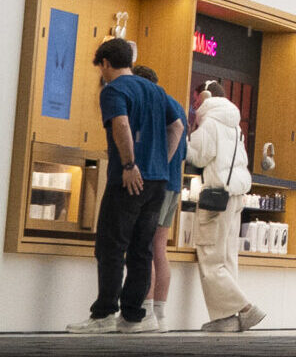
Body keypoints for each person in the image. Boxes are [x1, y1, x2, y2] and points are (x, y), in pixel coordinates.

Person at [67, 38, 187, 333]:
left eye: (101, 68)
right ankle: (134, 317)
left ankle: (104, 314)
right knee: (141, 249)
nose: (102, 74)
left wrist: (131, 164)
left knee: (111, 246)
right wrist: (160, 161)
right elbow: (178, 127)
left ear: (106, 64)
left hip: (129, 180)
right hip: (158, 182)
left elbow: (120, 124)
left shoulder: (114, 90)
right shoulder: (157, 91)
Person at [181, 82, 264, 333]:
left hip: (216, 198)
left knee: (210, 257)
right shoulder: (234, 124)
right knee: (227, 258)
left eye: (196, 100)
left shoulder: (211, 122)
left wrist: (185, 136)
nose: (195, 106)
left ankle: (247, 309)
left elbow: (198, 155)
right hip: (236, 197)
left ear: (204, 97)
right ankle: (225, 319)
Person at [127, 64, 186, 325]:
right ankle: (159, 314)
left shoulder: (152, 103)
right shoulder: (176, 105)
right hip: (174, 184)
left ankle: (146, 311)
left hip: (157, 184)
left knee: (145, 246)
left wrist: (158, 164)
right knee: (159, 247)